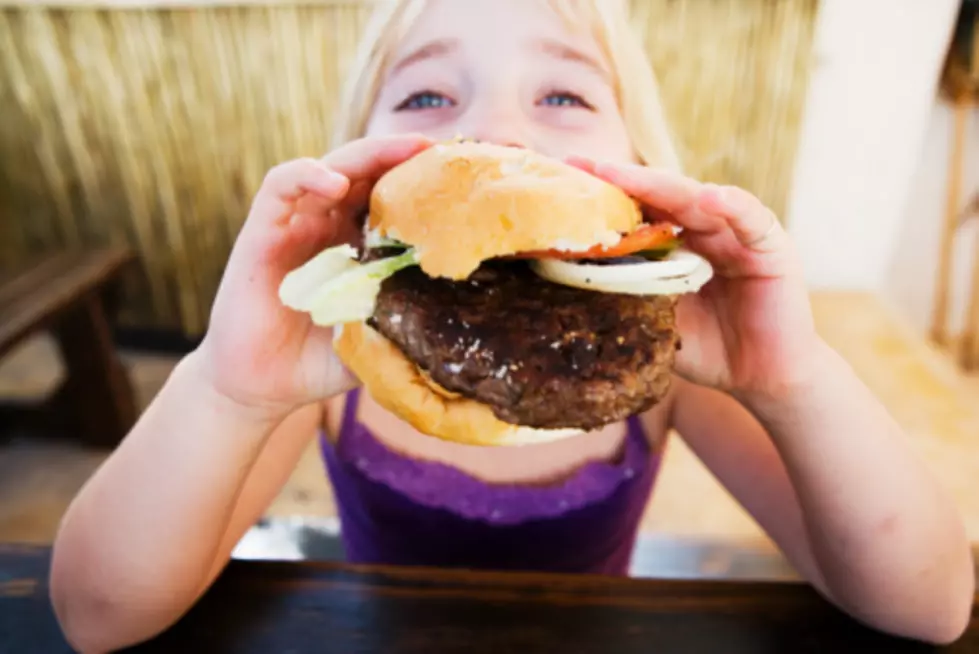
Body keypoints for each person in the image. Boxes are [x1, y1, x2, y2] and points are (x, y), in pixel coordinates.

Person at [49, 0, 974, 651]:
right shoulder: (338, 353)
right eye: (425, 97)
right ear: (360, 165)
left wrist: (794, 379)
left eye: (563, 97)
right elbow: (97, 616)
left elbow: (929, 607)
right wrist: (224, 388)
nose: (493, 132)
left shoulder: (674, 365)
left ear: (638, 162)